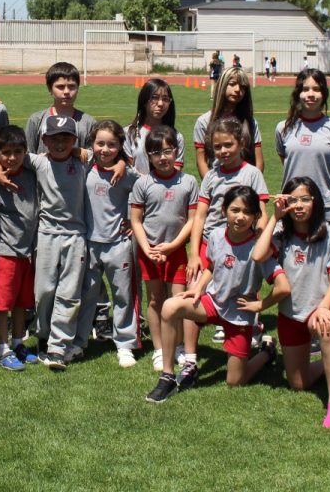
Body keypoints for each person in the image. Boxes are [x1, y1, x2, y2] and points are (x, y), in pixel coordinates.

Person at [145, 187, 288, 403]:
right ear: (224, 211)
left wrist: (260, 306)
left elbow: (283, 287)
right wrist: (198, 287)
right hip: (212, 302)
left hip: (239, 312)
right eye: (235, 210)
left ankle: (266, 352)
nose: (240, 217)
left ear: (255, 217)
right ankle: (167, 375)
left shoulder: (260, 248)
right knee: (170, 306)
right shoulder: (216, 235)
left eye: (247, 212)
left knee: (235, 381)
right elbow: (212, 265)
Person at [258, 177, 330, 427]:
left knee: (326, 326)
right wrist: (275, 217)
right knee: (298, 384)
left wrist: (323, 308)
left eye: (305, 199)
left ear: (315, 202)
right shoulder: (281, 234)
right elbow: (258, 255)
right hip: (290, 315)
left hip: (320, 309)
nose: (299, 206)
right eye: (293, 200)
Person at [182, 116, 268, 377]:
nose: (223, 151)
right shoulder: (211, 176)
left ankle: (250, 341)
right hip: (211, 244)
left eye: (228, 145)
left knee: (239, 298)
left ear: (241, 143)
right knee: (192, 297)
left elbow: (261, 212)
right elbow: (199, 216)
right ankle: (190, 358)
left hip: (242, 247)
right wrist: (195, 253)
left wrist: (260, 245)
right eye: (217, 147)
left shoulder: (251, 174)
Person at [129, 125, 198, 372]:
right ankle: (159, 349)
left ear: (177, 151)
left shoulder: (188, 181)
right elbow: (136, 220)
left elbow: (192, 220)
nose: (163, 157)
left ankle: (177, 346)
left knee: (177, 300)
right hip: (151, 252)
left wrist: (174, 245)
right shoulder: (143, 183)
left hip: (176, 252)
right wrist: (147, 248)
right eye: (156, 152)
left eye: (168, 151)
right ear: (148, 156)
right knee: (156, 299)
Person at [24, 115, 89, 369]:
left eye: (66, 138)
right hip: (47, 234)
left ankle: (58, 346)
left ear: (75, 140)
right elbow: (9, 154)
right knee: (44, 291)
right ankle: (43, 333)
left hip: (76, 236)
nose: (60, 144)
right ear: (44, 140)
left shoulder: (83, 161)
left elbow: (113, 154)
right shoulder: (39, 162)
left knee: (69, 292)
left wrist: (81, 150)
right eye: (54, 138)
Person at [74, 120, 141, 367]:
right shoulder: (84, 167)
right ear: (92, 144)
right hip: (89, 244)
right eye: (100, 143)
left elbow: (146, 191)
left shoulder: (128, 174)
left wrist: (135, 222)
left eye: (112, 145)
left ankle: (124, 343)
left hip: (118, 244)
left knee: (122, 295)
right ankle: (79, 342)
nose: (105, 149)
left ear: (120, 146)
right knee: (86, 295)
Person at [0, 125, 39, 371]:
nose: (12, 158)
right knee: (2, 304)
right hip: (5, 252)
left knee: (22, 302)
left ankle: (19, 342)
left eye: (17, 152)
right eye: (6, 153)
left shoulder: (31, 174)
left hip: (27, 252)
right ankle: (3, 347)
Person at [275, 69, 330, 225]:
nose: (310, 94)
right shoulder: (283, 128)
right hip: (291, 206)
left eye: (316, 89)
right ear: (298, 94)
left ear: (324, 94)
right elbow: (287, 162)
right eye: (305, 89)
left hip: (325, 207)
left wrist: (324, 190)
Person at [193, 66, 263, 177]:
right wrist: (211, 186)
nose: (237, 90)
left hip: (244, 188)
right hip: (217, 186)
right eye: (232, 84)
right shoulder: (204, 121)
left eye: (243, 87)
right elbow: (201, 161)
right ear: (222, 85)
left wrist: (253, 185)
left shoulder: (250, 122)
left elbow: (259, 161)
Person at [25, 61, 98, 154]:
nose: (66, 91)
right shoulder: (36, 120)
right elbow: (27, 153)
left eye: (71, 86)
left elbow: (94, 157)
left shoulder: (89, 122)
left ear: (78, 88)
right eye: (60, 87)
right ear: (49, 89)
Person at [125, 77, 186, 174]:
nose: (160, 103)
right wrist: (147, 184)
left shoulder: (176, 136)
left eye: (165, 99)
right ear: (144, 100)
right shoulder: (128, 133)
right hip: (136, 188)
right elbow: (128, 169)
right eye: (154, 97)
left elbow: (175, 171)